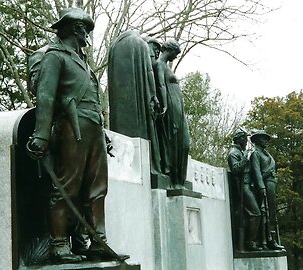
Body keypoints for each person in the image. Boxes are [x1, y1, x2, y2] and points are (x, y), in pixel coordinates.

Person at [26, 7, 128, 263]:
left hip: (92, 128)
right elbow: (46, 97)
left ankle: (98, 242)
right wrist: (41, 135)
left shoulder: (82, 61)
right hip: (72, 127)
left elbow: (92, 100)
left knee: (97, 188)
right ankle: (59, 245)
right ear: (74, 29)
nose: (87, 35)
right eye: (84, 29)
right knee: (66, 186)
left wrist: (102, 133)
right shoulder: (55, 56)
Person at [107, 30, 164, 175]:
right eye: (155, 49)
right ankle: (151, 167)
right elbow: (149, 72)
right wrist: (153, 96)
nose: (156, 54)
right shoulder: (141, 45)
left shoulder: (115, 47)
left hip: (119, 108)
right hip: (140, 106)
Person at [153, 39, 190, 187]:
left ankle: (180, 179)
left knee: (185, 143)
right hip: (171, 106)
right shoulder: (159, 65)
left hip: (178, 108)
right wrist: (165, 105)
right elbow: (161, 85)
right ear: (170, 49)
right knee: (174, 142)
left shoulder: (166, 66)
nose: (176, 56)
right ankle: (174, 180)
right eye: (176, 53)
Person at [227, 128, 262, 251]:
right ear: (239, 139)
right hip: (243, 187)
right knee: (255, 213)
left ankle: (250, 241)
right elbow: (236, 169)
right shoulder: (233, 153)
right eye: (245, 139)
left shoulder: (239, 152)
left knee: (254, 214)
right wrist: (245, 158)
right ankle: (249, 242)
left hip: (248, 185)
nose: (246, 142)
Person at [249, 130, 285, 250]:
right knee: (265, 213)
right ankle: (264, 240)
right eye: (264, 139)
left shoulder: (267, 154)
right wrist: (261, 187)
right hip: (264, 186)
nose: (266, 141)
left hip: (271, 185)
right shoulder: (255, 154)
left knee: (272, 213)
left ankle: (272, 238)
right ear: (257, 140)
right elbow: (257, 173)